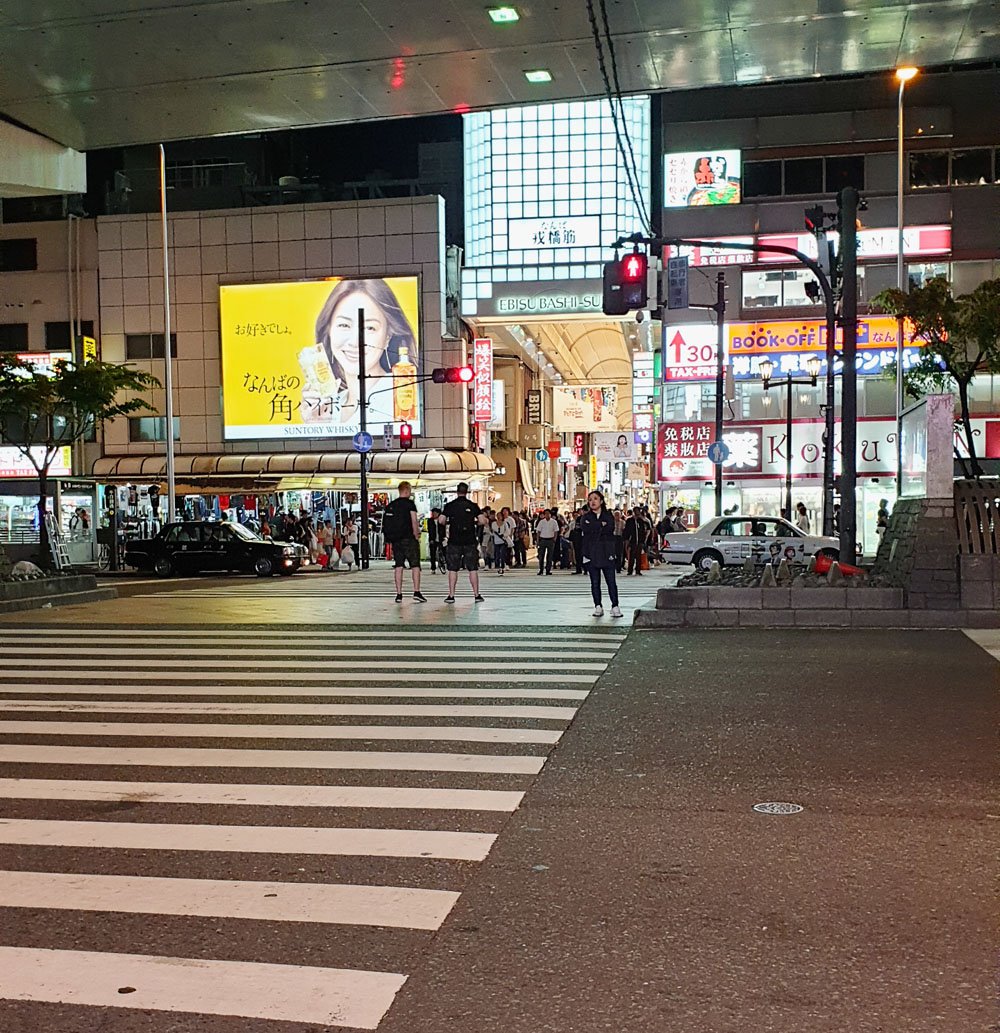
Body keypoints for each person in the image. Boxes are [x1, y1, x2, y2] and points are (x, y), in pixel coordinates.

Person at [303, 278, 418, 430]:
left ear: (388, 337)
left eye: (370, 328)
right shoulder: (330, 405)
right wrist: (316, 428)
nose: (355, 341)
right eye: (344, 325)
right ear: (328, 331)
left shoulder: (403, 394)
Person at [440, 482, 487, 603]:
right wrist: (473, 523)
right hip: (470, 540)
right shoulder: (473, 505)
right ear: (467, 492)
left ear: (457, 491)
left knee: (453, 569)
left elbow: (441, 520)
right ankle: (476, 595)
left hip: (454, 541)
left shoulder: (450, 505)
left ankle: (451, 595)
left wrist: (449, 524)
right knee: (472, 569)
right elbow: (482, 520)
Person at [579, 490, 623, 619]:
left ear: (601, 501)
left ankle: (615, 606)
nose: (592, 501)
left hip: (607, 552)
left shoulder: (608, 516)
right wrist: (599, 526)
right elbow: (586, 529)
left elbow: (609, 529)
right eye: (590, 499)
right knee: (595, 582)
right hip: (591, 554)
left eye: (595, 499)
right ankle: (598, 605)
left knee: (611, 581)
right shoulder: (585, 517)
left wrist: (595, 527)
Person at [382, 481, 425, 603]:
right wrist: (416, 534)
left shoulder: (391, 505)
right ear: (406, 490)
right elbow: (414, 521)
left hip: (396, 540)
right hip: (409, 538)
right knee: (415, 565)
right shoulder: (410, 504)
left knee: (399, 565)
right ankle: (416, 591)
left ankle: (399, 594)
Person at [490, 506, 515, 575]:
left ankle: (503, 565)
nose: (499, 517)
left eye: (500, 516)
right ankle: (498, 566)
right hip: (496, 540)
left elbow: (508, 531)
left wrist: (504, 535)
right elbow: (493, 531)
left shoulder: (505, 523)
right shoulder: (494, 523)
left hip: (503, 540)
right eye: (497, 516)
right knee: (497, 554)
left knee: (503, 554)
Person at [535, 508, 559, 575]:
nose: (547, 515)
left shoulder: (554, 522)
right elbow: (538, 531)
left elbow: (556, 531)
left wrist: (554, 539)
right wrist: (537, 541)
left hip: (550, 540)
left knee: (550, 556)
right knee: (541, 555)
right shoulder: (541, 522)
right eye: (546, 514)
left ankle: (548, 569)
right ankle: (541, 569)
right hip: (543, 539)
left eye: (548, 513)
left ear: (550, 514)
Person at [426, 507, 445, 573]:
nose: (433, 514)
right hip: (433, 539)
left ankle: (443, 565)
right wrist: (431, 539)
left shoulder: (442, 520)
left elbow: (444, 529)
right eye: (432, 513)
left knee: (443, 553)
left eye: (435, 513)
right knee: (433, 554)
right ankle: (433, 568)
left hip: (441, 539)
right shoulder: (430, 521)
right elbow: (430, 531)